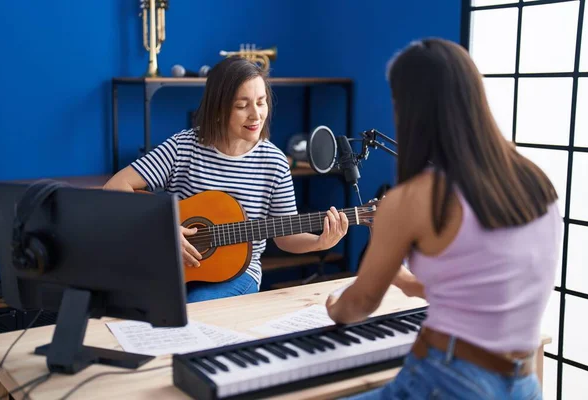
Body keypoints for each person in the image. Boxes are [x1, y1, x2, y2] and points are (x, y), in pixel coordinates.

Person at [326, 38, 561, 399]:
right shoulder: (533, 180)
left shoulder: (416, 197)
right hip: (523, 384)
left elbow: (359, 304)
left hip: (448, 381)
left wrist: (335, 307)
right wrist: (407, 283)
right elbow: (485, 289)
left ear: (411, 109)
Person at [104, 56, 349, 303]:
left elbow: (285, 237)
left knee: (195, 306)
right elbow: (115, 187)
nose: (256, 115)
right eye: (242, 105)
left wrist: (320, 242)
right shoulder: (184, 147)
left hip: (239, 274)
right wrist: (162, 229)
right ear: (219, 109)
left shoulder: (274, 161)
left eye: (261, 103)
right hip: (173, 266)